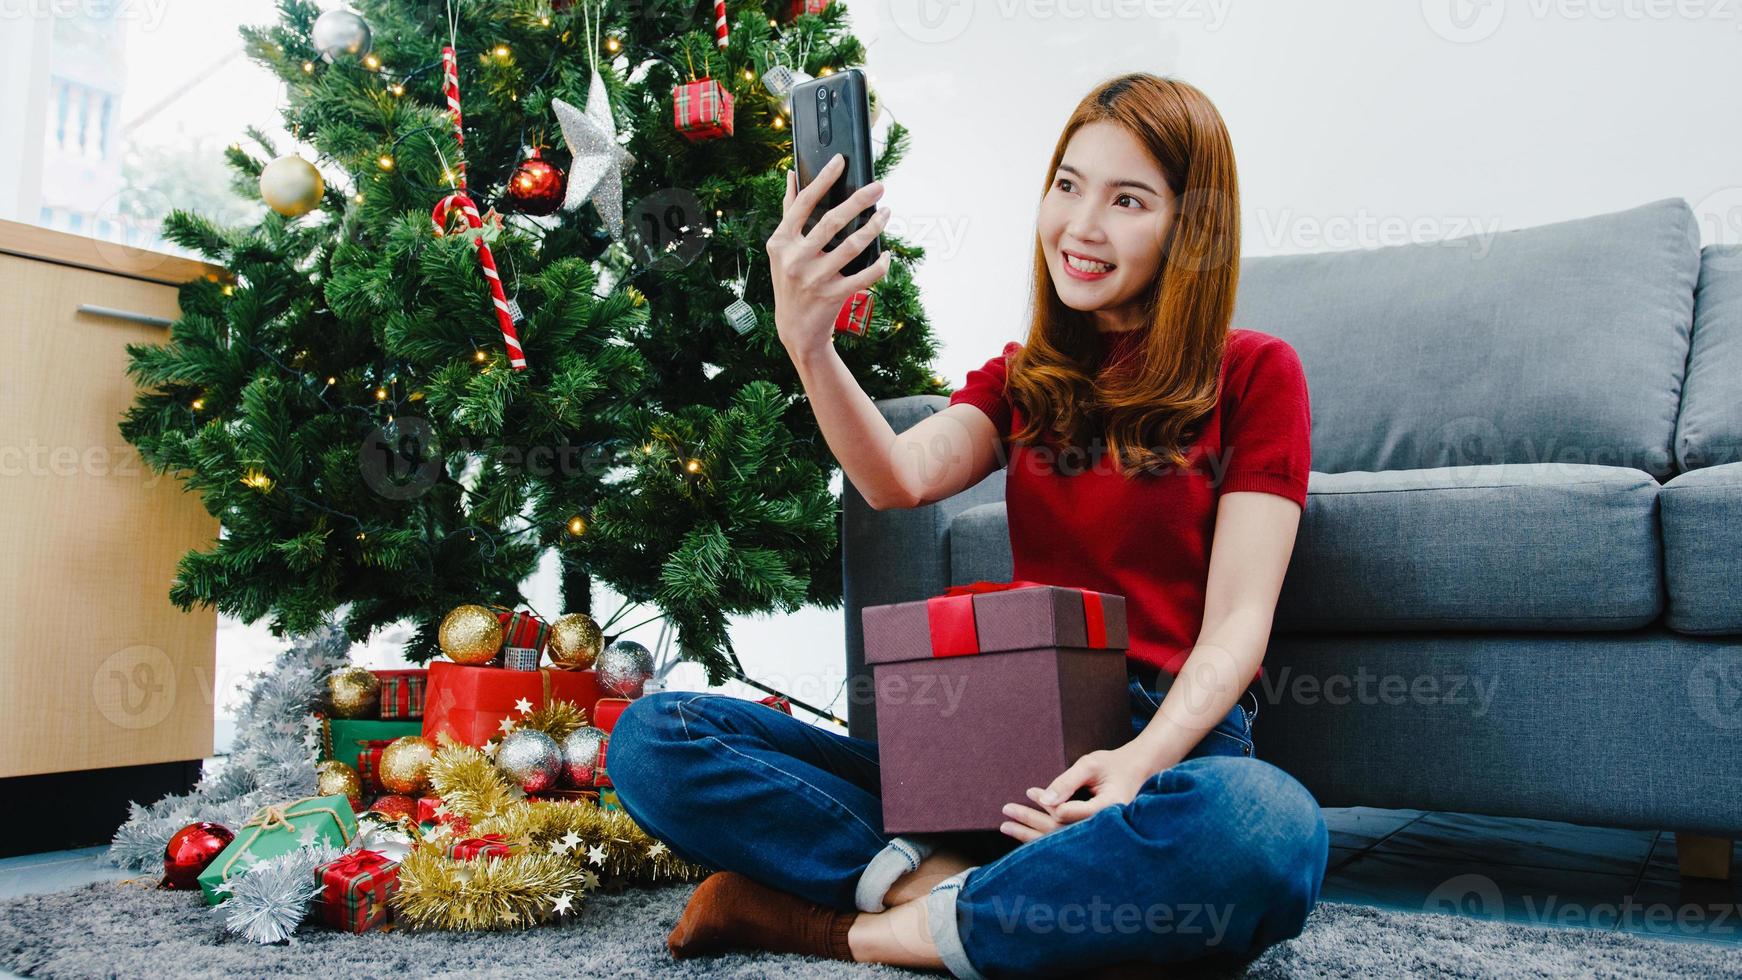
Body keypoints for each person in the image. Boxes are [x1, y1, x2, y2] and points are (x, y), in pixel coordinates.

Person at [606, 72, 1329, 978]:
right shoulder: (1026, 377)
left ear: (1193, 225)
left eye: (1128, 200)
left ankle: (856, 929)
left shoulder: (1258, 373)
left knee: (1266, 830)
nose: (1081, 225)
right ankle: (988, 893)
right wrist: (808, 342)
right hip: (999, 738)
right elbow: (897, 478)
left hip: (1165, 744)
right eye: (1067, 186)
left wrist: (1137, 766)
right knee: (653, 740)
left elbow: (1237, 624)